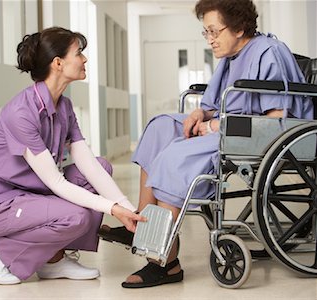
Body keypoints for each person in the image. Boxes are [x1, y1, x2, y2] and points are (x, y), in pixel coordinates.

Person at [98, 0, 314, 289]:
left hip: (255, 136)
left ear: (239, 27)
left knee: (174, 155)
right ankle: (141, 224)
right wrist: (201, 113)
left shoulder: (269, 52)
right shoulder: (231, 56)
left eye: (214, 31)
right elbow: (215, 104)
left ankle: (164, 263)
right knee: (159, 127)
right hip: (228, 128)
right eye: (206, 32)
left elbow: (274, 118)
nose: (210, 39)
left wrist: (214, 126)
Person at [0, 26, 144, 285]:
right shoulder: (21, 114)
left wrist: (128, 209)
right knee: (75, 216)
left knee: (101, 166)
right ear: (58, 63)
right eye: (79, 53)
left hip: (31, 194)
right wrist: (112, 209)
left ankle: (53, 259)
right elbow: (56, 183)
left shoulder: (64, 106)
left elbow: (89, 165)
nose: (84, 59)